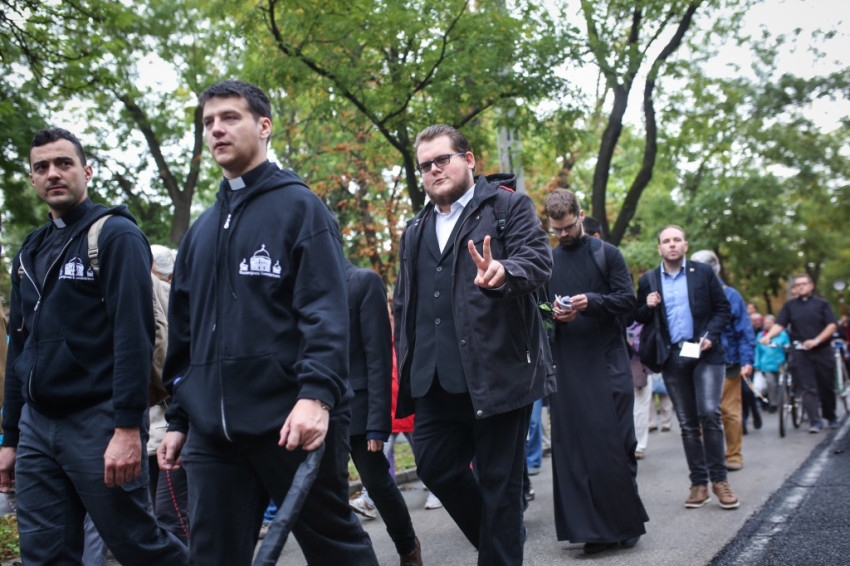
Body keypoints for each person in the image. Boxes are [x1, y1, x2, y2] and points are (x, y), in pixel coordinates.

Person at [156, 80, 377, 565]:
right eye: (208, 122)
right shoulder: (200, 231)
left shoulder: (301, 209)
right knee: (212, 556)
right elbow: (184, 334)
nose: (216, 129)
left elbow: (325, 312)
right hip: (212, 436)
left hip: (291, 420)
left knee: (335, 548)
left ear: (264, 126)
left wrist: (315, 396)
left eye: (229, 117)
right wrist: (179, 420)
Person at [0, 127, 187, 564]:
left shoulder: (115, 235)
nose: (53, 173)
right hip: (36, 426)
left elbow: (134, 337)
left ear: (86, 171)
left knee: (137, 544)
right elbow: (19, 350)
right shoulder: (29, 251)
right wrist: (10, 438)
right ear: (32, 179)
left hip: (100, 422)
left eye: (64, 163)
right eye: (42, 167)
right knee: (43, 554)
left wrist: (127, 428)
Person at [394, 124, 555, 566]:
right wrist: (406, 361)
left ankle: (500, 548)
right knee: (434, 468)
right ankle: (502, 542)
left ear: (469, 160)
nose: (433, 170)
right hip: (434, 379)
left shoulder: (507, 206)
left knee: (501, 487)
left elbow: (538, 259)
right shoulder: (415, 227)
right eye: (425, 166)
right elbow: (405, 302)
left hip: (498, 372)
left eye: (442, 160)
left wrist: (504, 272)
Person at [543, 189, 647, 553]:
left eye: (568, 227)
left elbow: (628, 302)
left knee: (619, 441)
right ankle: (591, 530)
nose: (563, 234)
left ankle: (624, 520)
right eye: (556, 229)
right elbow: (539, 310)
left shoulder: (608, 254)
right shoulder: (548, 261)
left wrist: (591, 302)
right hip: (568, 364)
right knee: (574, 447)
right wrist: (556, 314)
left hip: (608, 360)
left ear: (581, 215)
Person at [635, 226, 736, 510]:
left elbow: (723, 309)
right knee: (688, 423)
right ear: (659, 248)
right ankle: (699, 484)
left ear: (685, 245)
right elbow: (637, 316)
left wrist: (711, 336)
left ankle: (720, 481)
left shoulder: (703, 273)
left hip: (705, 353)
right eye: (666, 241)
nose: (672, 245)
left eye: (676, 240)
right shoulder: (649, 280)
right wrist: (647, 305)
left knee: (709, 413)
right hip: (672, 356)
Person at [343, 258, 422, 565]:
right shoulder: (305, 287)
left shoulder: (362, 281)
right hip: (320, 407)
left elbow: (378, 357)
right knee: (325, 493)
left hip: (359, 409)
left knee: (377, 483)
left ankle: (408, 546)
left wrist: (377, 423)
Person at [690, 250, 755, 472]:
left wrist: (747, 360)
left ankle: (733, 455)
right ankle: (708, 457)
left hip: (728, 363)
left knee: (729, 411)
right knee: (702, 412)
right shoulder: (689, 293)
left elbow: (744, 330)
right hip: (697, 362)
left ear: (712, 269)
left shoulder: (731, 295)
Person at [760, 273, 839, 432]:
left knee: (826, 385)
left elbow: (831, 326)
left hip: (822, 350)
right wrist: (768, 336)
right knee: (807, 387)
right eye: (797, 285)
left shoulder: (822, 304)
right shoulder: (790, 306)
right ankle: (814, 421)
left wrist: (816, 340)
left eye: (804, 283)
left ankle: (830, 415)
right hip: (801, 352)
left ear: (811, 285)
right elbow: (780, 324)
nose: (801, 287)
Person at [754, 314, 791, 412]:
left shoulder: (782, 334)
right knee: (771, 383)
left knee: (781, 384)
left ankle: (781, 403)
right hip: (766, 364)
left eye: (769, 323)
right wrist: (757, 364)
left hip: (780, 363)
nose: (767, 325)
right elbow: (757, 351)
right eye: (766, 323)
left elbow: (787, 346)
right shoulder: (761, 335)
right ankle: (773, 403)